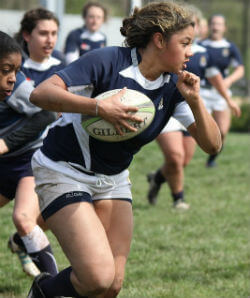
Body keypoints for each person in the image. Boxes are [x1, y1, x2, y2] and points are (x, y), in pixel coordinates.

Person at [26, 2, 222, 297]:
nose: (190, 52)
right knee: (97, 277)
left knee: (112, 285)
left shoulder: (174, 86)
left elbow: (213, 145)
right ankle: (43, 291)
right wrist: (98, 107)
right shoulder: (108, 61)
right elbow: (40, 93)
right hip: (63, 169)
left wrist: (195, 100)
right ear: (159, 40)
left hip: (114, 178)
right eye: (185, 43)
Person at [146, 5, 241, 209]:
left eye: (196, 25)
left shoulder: (204, 53)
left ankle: (157, 178)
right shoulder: (165, 49)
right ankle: (178, 199)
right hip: (166, 107)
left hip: (187, 106)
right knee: (175, 156)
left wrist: (229, 100)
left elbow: (216, 79)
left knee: (183, 161)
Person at [6, 7, 66, 277]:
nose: (49, 39)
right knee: (30, 221)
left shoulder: (64, 70)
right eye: (43, 33)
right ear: (27, 36)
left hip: (36, 158)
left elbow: (50, 112)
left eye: (54, 33)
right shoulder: (14, 65)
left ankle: (51, 286)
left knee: (26, 219)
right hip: (6, 161)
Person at [199, 14, 245, 167]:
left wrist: (229, 80)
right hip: (203, 92)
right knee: (198, 129)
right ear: (209, 26)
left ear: (224, 28)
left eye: (219, 24)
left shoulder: (229, 47)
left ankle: (211, 160)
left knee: (223, 132)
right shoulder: (201, 45)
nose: (216, 27)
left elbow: (240, 69)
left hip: (221, 94)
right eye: (213, 23)